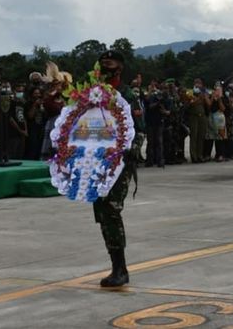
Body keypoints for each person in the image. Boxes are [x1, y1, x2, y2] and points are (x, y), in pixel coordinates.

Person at [93, 50, 139, 287]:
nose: (104, 67)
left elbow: (137, 129)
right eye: (102, 63)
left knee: (111, 209)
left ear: (119, 67)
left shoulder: (127, 94)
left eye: (109, 63)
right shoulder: (93, 93)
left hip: (120, 160)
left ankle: (120, 269)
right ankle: (116, 266)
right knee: (102, 211)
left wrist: (129, 149)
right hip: (98, 159)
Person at [186, 79, 209, 163]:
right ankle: (194, 156)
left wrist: (203, 96)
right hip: (193, 116)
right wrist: (198, 98)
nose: (198, 85)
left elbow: (208, 104)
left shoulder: (203, 93)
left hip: (202, 116)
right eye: (196, 83)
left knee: (201, 136)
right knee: (194, 136)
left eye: (199, 83)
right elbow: (191, 103)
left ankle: (199, 155)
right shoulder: (190, 92)